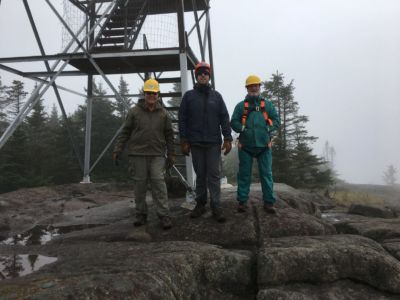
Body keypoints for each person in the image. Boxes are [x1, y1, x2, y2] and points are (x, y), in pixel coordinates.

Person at [112, 78, 175, 229]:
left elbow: (169, 135)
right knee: (139, 186)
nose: (151, 96)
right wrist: (117, 149)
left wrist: (171, 154)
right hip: (137, 154)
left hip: (157, 154)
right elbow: (125, 132)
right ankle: (141, 214)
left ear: (158, 95)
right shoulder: (134, 112)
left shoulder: (164, 114)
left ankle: (164, 215)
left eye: (154, 93)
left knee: (158, 183)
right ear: (144, 94)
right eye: (148, 93)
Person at [178, 61, 232, 223]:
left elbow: (224, 117)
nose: (203, 75)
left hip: (213, 143)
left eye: (205, 73)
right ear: (196, 76)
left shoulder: (217, 96)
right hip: (195, 143)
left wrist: (228, 138)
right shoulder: (189, 96)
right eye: (200, 73)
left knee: (214, 175)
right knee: (200, 175)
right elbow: (182, 119)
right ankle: (200, 204)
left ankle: (216, 206)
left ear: (209, 76)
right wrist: (184, 139)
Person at [230, 75, 280, 213]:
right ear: (247, 88)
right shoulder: (241, 106)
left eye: (256, 85)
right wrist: (242, 128)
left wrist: (268, 128)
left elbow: (276, 120)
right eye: (251, 86)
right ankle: (242, 202)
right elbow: (233, 121)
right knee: (244, 174)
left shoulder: (267, 105)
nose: (254, 88)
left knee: (266, 174)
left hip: (264, 146)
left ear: (259, 87)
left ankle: (269, 203)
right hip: (245, 146)